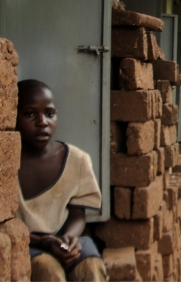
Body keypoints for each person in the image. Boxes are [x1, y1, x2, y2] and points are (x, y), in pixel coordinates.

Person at [14, 79, 107, 281]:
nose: (42, 122)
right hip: (25, 244)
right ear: (11, 116)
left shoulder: (77, 160)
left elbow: (77, 215)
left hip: (64, 240)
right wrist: (43, 243)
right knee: (47, 270)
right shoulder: (6, 165)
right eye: (30, 114)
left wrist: (70, 239)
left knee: (91, 267)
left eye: (50, 114)